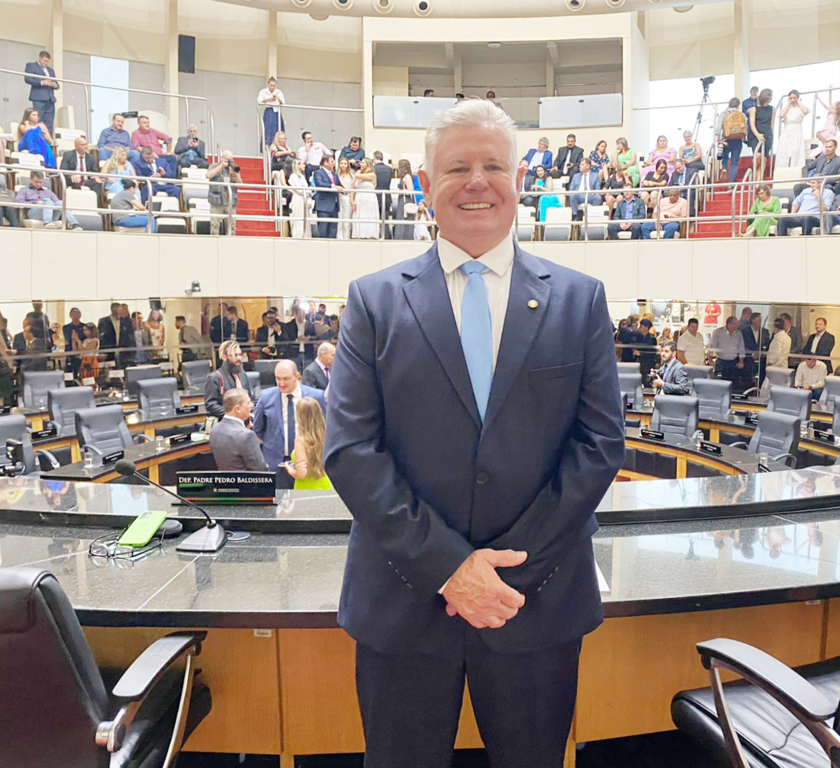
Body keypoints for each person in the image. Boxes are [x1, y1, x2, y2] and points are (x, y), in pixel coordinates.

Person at [322, 99, 624, 768]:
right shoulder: (374, 300)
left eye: (494, 165)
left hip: (535, 601)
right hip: (402, 601)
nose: (478, 181)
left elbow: (599, 446)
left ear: (521, 181)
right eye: (457, 166)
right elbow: (350, 449)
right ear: (425, 186)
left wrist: (501, 574)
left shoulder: (580, 299)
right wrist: (451, 569)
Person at [253, 359, 326, 489]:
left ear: (297, 376)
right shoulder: (266, 397)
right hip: (277, 465)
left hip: (310, 466)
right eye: (278, 378)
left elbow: (324, 428)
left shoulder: (316, 396)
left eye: (286, 379)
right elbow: (258, 429)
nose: (281, 383)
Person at [210, 389, 270, 472]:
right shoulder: (247, 435)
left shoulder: (214, 429)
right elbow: (260, 469)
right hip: (247, 483)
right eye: (248, 402)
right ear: (238, 409)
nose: (252, 405)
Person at [284, 396, 333, 490]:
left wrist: (290, 469)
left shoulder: (301, 440)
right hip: (325, 484)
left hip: (306, 487)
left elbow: (301, 473)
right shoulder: (326, 436)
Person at [15, 170, 82, 230]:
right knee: (48, 202)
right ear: (30, 179)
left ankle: (74, 224)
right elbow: (18, 201)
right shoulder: (24, 190)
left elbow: (57, 202)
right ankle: (47, 223)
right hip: (33, 212)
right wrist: (35, 203)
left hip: (51, 212)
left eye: (40, 182)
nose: (38, 184)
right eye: (36, 182)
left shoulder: (48, 191)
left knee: (61, 203)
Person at [204, 340, 253, 419]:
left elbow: (250, 397)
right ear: (224, 357)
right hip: (225, 422)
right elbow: (211, 404)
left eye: (240, 355)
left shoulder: (243, 374)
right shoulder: (214, 377)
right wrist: (232, 415)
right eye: (235, 355)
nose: (239, 358)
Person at [207, 151, 242, 236]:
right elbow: (208, 175)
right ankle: (214, 243)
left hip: (230, 202)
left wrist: (234, 174)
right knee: (215, 225)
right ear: (222, 158)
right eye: (227, 159)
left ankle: (231, 243)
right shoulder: (214, 166)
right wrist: (221, 166)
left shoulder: (234, 168)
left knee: (231, 225)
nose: (229, 162)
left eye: (231, 160)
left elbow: (240, 183)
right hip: (217, 200)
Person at [24, 50, 58, 134]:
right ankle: (37, 138)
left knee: (49, 122)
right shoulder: (31, 66)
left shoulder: (51, 70)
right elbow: (28, 79)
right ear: (39, 58)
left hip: (50, 99)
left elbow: (57, 84)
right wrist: (42, 82)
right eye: (44, 61)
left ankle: (48, 141)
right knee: (37, 120)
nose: (46, 63)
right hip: (38, 97)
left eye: (47, 62)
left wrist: (54, 85)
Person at [775, 90, 808, 169]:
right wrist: (787, 105)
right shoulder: (786, 108)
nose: (792, 100)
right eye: (791, 98)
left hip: (797, 130)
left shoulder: (801, 107)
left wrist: (799, 103)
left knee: (796, 152)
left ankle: (796, 172)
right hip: (787, 130)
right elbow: (781, 115)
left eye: (794, 98)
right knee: (783, 152)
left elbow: (805, 111)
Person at [709, 316, 746, 384]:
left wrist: (741, 362)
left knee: (733, 383)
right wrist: (710, 360)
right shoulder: (718, 332)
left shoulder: (739, 334)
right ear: (729, 324)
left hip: (733, 362)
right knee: (719, 382)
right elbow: (712, 346)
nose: (737, 325)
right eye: (735, 324)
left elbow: (741, 348)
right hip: (721, 361)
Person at [747, 88, 773, 181]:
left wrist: (769, 135)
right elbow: (752, 124)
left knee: (764, 159)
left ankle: (758, 181)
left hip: (767, 135)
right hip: (755, 135)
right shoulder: (754, 109)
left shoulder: (772, 109)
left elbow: (772, 124)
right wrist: (757, 134)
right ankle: (754, 175)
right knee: (757, 156)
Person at [719, 98, 746, 183]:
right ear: (738, 105)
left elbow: (718, 128)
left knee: (725, 157)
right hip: (738, 140)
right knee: (734, 162)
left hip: (726, 139)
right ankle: (731, 183)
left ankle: (724, 169)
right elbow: (745, 127)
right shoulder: (741, 115)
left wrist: (718, 140)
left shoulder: (723, 114)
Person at [352, 160, 380, 239]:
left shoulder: (372, 175)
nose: (361, 164)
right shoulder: (359, 173)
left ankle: (370, 234)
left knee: (368, 216)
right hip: (359, 197)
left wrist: (358, 172)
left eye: (363, 163)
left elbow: (358, 176)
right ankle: (359, 235)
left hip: (369, 197)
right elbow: (353, 186)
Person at [258, 78, 286, 147]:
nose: (272, 87)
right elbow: (259, 101)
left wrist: (279, 100)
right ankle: (267, 145)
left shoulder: (278, 92)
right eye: (271, 85)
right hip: (269, 110)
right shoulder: (263, 91)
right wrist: (269, 99)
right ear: (268, 85)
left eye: (274, 86)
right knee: (268, 129)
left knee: (278, 129)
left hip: (277, 112)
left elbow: (283, 103)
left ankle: (278, 144)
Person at [392, 159, 415, 240]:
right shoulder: (404, 177)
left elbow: (411, 190)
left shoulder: (407, 177)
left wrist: (400, 191)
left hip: (406, 200)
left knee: (405, 218)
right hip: (401, 199)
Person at [373, 151, 394, 237]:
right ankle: (387, 236)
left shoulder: (373, 169)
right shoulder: (389, 169)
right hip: (387, 196)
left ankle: (377, 235)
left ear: (374, 158)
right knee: (385, 218)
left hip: (375, 195)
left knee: (376, 218)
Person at [335, 156, 356, 239]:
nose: (343, 165)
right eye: (341, 163)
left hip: (347, 197)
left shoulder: (352, 176)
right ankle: (339, 237)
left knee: (347, 220)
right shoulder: (336, 175)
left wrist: (352, 200)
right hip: (338, 197)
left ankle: (346, 238)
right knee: (339, 219)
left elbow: (353, 189)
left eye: (345, 163)